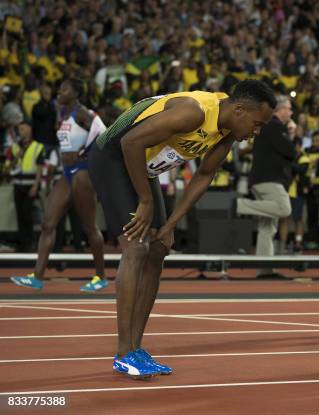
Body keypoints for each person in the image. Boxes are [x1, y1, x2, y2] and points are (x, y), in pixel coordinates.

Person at [88, 79, 276, 378]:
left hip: (143, 165)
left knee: (159, 247)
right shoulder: (194, 111)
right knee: (136, 246)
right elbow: (130, 142)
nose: (257, 132)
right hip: (113, 157)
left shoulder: (226, 133)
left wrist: (170, 224)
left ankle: (135, 348)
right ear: (239, 109)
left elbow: (203, 175)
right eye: (257, 124)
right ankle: (124, 353)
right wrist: (147, 200)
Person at [11, 79, 107, 291]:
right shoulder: (63, 114)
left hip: (83, 172)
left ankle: (100, 276)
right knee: (47, 224)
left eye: (64, 89)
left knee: (89, 227)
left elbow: (105, 135)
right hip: (66, 173)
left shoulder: (83, 113)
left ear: (75, 93)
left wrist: (89, 155)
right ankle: (37, 277)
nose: (59, 92)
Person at [235, 95, 294, 261]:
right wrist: (291, 133)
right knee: (284, 208)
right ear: (281, 110)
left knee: (267, 228)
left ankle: (264, 266)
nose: (291, 112)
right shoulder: (275, 125)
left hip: (260, 179)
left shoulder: (269, 126)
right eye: (289, 108)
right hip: (269, 179)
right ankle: (240, 205)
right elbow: (291, 152)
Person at [5, 123, 45, 252]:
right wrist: (18, 155)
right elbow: (8, 168)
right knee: (20, 214)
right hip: (18, 185)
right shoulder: (14, 147)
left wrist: (36, 185)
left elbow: (40, 168)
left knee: (27, 212)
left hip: (31, 185)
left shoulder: (38, 147)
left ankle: (31, 241)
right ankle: (23, 243)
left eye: (22, 129)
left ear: (29, 130)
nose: (20, 131)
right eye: (19, 129)